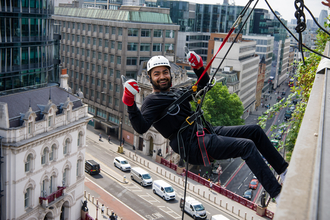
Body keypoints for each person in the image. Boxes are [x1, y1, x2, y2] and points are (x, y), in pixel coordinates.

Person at [122, 53, 288, 202]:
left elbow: (202, 86)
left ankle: (283, 171)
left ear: (170, 74)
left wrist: (199, 67)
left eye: (165, 72)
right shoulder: (152, 101)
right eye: (156, 74)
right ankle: (278, 194)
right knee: (247, 146)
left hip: (204, 132)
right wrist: (130, 102)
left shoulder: (176, 92)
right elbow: (141, 127)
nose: (162, 77)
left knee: (255, 131)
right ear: (150, 78)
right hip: (192, 145)